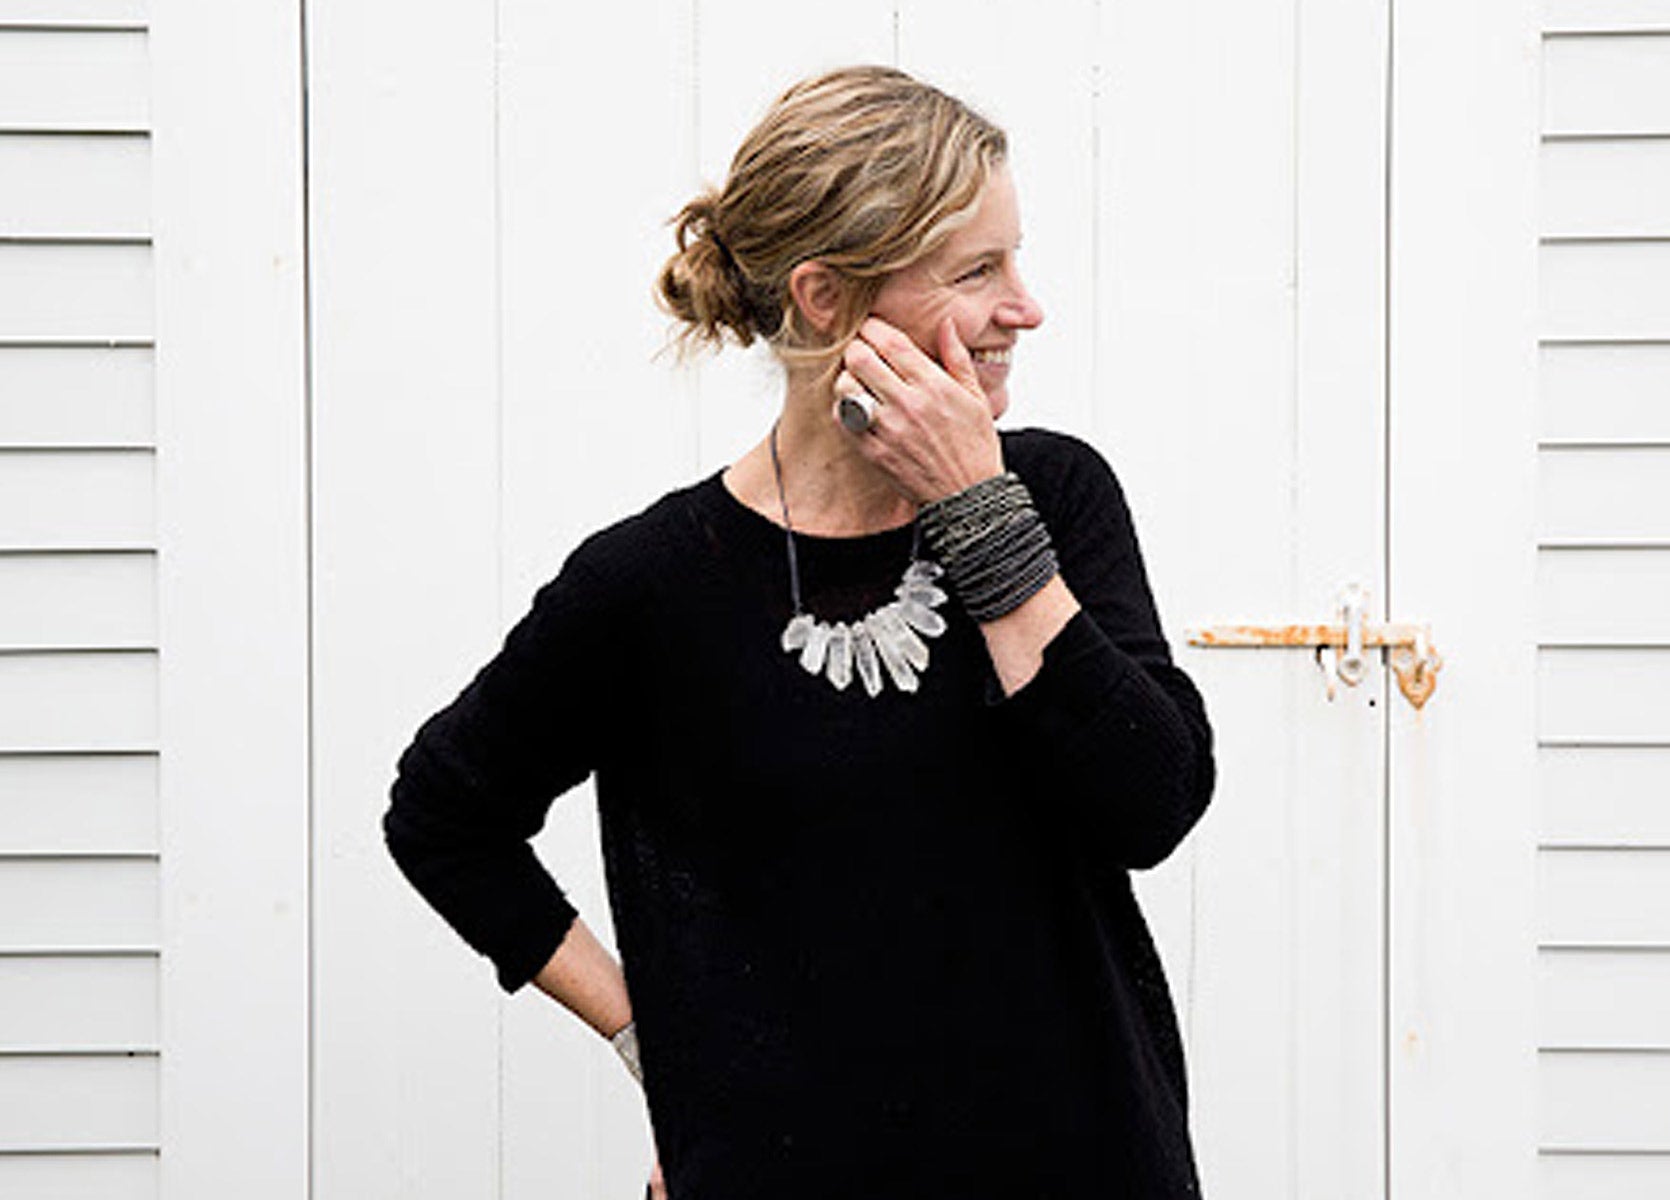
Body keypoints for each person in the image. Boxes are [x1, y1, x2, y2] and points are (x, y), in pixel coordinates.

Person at [383, 64, 1217, 1199]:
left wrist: (981, 517)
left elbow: (1152, 804)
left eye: (1015, 260)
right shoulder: (651, 585)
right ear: (826, 297)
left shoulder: (1056, 497)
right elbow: (443, 817)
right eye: (978, 270)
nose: (1025, 307)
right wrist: (657, 1046)